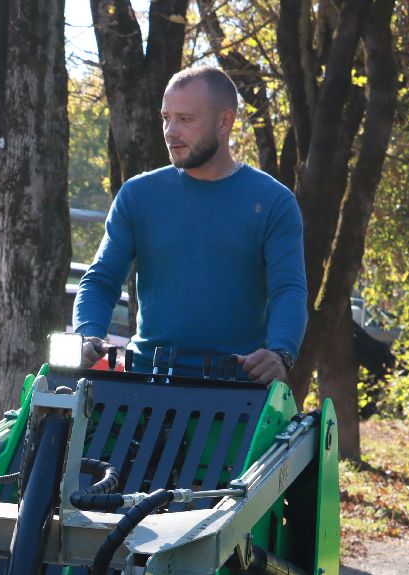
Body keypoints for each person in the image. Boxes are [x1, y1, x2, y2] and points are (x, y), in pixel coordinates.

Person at [72, 66, 308, 384]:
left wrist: (281, 353)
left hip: (237, 390)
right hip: (144, 382)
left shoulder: (274, 202)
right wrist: (87, 334)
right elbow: (101, 280)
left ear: (225, 121)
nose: (171, 131)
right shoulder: (138, 195)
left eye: (185, 119)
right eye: (166, 118)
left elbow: (288, 291)